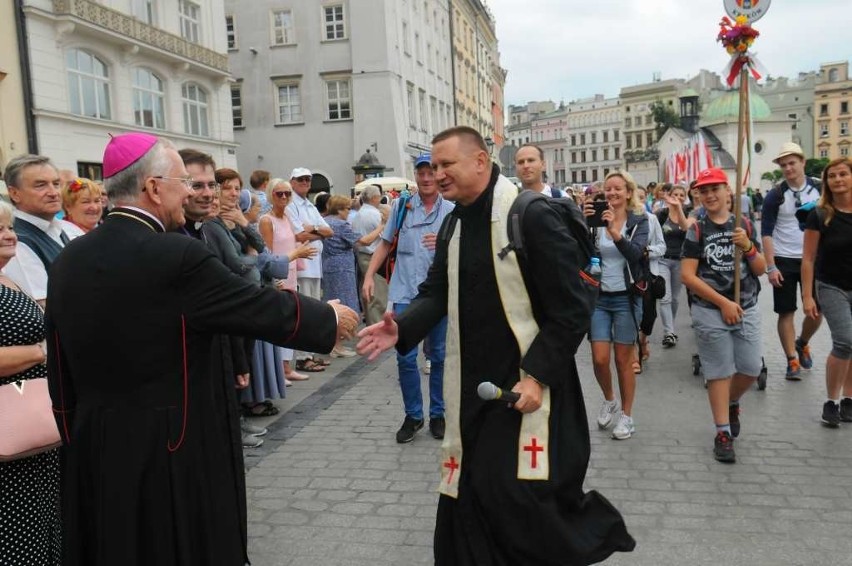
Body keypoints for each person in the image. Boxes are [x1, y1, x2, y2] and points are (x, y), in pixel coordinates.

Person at [44, 132, 358, 565]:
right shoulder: (176, 255)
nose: (190, 193)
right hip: (175, 447)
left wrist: (74, 434)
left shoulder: (67, 261)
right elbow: (252, 305)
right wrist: (327, 317)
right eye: (183, 183)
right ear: (153, 187)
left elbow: (58, 370)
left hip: (96, 443)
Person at [357, 126, 634, 565]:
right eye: (433, 166)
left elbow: (574, 306)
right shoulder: (454, 222)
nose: (438, 174)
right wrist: (402, 328)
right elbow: (435, 292)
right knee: (469, 495)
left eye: (448, 164)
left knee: (518, 504)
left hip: (527, 391)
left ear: (481, 162)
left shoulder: (531, 215)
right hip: (473, 392)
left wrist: (539, 375)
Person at [363, 153, 454, 443]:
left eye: (431, 173)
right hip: (404, 293)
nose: (426, 178)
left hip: (439, 296)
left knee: (438, 356)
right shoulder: (403, 207)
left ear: (438, 175)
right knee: (405, 357)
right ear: (415, 176)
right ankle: (414, 416)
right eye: (421, 173)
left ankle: (438, 414)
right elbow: (384, 244)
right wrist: (368, 276)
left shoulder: (452, 210)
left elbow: (466, 251)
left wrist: (444, 244)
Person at [681, 167, 766, 463]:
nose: (709, 195)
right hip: (709, 309)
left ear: (727, 191)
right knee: (717, 371)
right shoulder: (697, 228)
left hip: (747, 304)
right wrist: (722, 303)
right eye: (703, 191)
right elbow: (688, 276)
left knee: (751, 367)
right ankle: (722, 433)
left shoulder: (742, 223)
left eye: (714, 188)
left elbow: (760, 269)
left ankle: (732, 402)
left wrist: (749, 247)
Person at [0, 200, 61, 565]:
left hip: (32, 435)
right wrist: (40, 352)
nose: (9, 235)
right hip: (8, 434)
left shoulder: (7, 277)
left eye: (9, 227)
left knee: (43, 528)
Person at [584, 171, 649, 440]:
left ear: (628, 192)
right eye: (607, 190)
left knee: (623, 360)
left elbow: (636, 254)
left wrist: (615, 233)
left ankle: (627, 415)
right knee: (599, 358)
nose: (612, 193)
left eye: (617, 189)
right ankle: (609, 398)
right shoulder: (595, 221)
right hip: (599, 297)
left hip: (626, 297)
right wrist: (582, 219)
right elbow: (581, 252)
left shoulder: (638, 221)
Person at [761, 142, 823, 379]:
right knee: (786, 312)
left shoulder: (820, 187)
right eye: (783, 165)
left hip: (816, 259)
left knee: (817, 310)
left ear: (802, 162)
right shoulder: (775, 195)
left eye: (792, 163)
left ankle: (803, 341)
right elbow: (766, 232)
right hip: (784, 258)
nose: (788, 168)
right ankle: (791, 360)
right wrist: (771, 266)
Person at [802, 158, 852, 427]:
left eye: (843, 174)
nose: (838, 179)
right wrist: (808, 296)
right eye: (832, 176)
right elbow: (808, 258)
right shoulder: (819, 214)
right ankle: (831, 401)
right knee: (845, 341)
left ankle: (849, 398)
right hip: (832, 285)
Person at [258, 179, 318, 381]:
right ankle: (278, 370)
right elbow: (267, 254)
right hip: (277, 275)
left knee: (290, 319)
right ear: (270, 195)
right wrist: (274, 278)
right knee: (279, 321)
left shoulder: (288, 218)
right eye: (279, 193)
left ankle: (286, 367)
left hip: (291, 273)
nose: (284, 197)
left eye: (287, 193)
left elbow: (298, 239)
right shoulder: (266, 220)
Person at [0, 154, 67, 305]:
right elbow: (43, 306)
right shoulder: (17, 240)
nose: (53, 192)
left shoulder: (57, 229)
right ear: (14, 193)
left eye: (56, 184)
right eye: (40, 185)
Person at [323, 195, 383, 357]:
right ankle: (337, 345)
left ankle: (335, 344)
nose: (349, 212)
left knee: (333, 305)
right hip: (342, 268)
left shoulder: (326, 221)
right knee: (343, 305)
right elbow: (365, 241)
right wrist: (381, 227)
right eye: (347, 209)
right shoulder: (341, 224)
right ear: (340, 209)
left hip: (329, 266)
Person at [287, 167, 334, 373]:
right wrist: (317, 232)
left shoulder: (310, 205)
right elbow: (299, 235)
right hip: (303, 265)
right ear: (292, 181)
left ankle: (310, 353)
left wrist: (312, 230)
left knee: (313, 309)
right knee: (304, 310)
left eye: (308, 179)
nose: (305, 182)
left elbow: (329, 231)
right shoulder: (291, 204)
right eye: (301, 179)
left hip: (315, 266)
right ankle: (302, 356)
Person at [657, 184, 691, 347]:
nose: (678, 197)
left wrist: (679, 210)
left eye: (681, 195)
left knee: (675, 299)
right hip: (663, 259)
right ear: (669, 196)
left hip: (680, 260)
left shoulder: (688, 213)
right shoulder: (661, 215)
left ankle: (670, 326)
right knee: (666, 297)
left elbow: (686, 229)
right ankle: (669, 332)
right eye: (675, 194)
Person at [352, 185, 387, 325]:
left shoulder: (359, 214)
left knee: (368, 293)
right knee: (377, 294)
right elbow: (386, 236)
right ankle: (378, 325)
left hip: (362, 256)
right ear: (374, 198)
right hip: (373, 256)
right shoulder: (374, 214)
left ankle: (372, 323)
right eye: (379, 196)